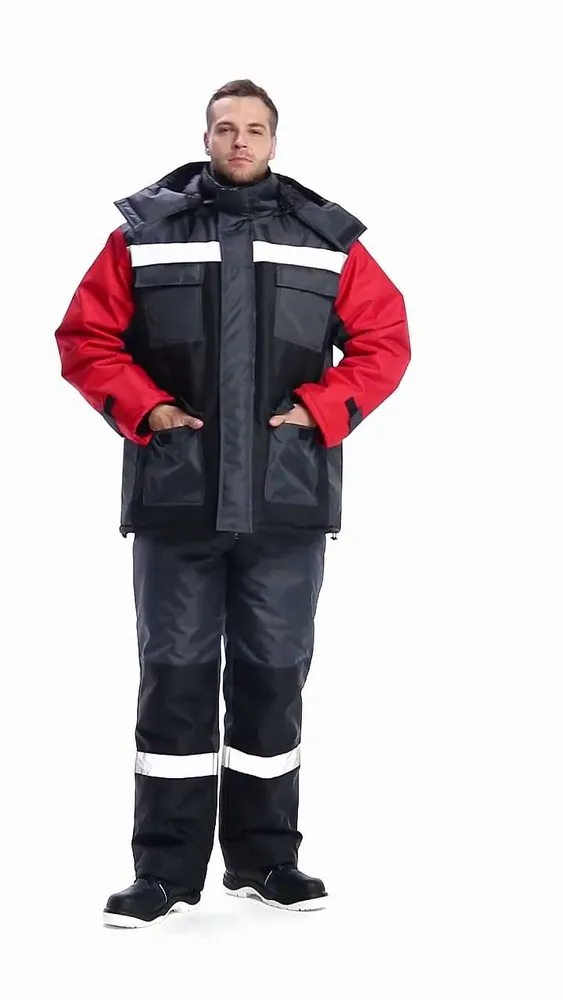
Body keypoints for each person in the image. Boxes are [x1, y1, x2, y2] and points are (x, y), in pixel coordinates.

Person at [54, 78, 411, 928]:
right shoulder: (142, 236)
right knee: (174, 680)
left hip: (285, 501)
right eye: (225, 128)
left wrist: (321, 409)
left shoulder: (325, 240)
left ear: (274, 141)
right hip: (177, 499)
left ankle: (266, 861)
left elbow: (384, 339)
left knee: (272, 679)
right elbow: (85, 338)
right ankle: (163, 873)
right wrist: (149, 409)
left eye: (254, 128)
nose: (239, 140)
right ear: (206, 137)